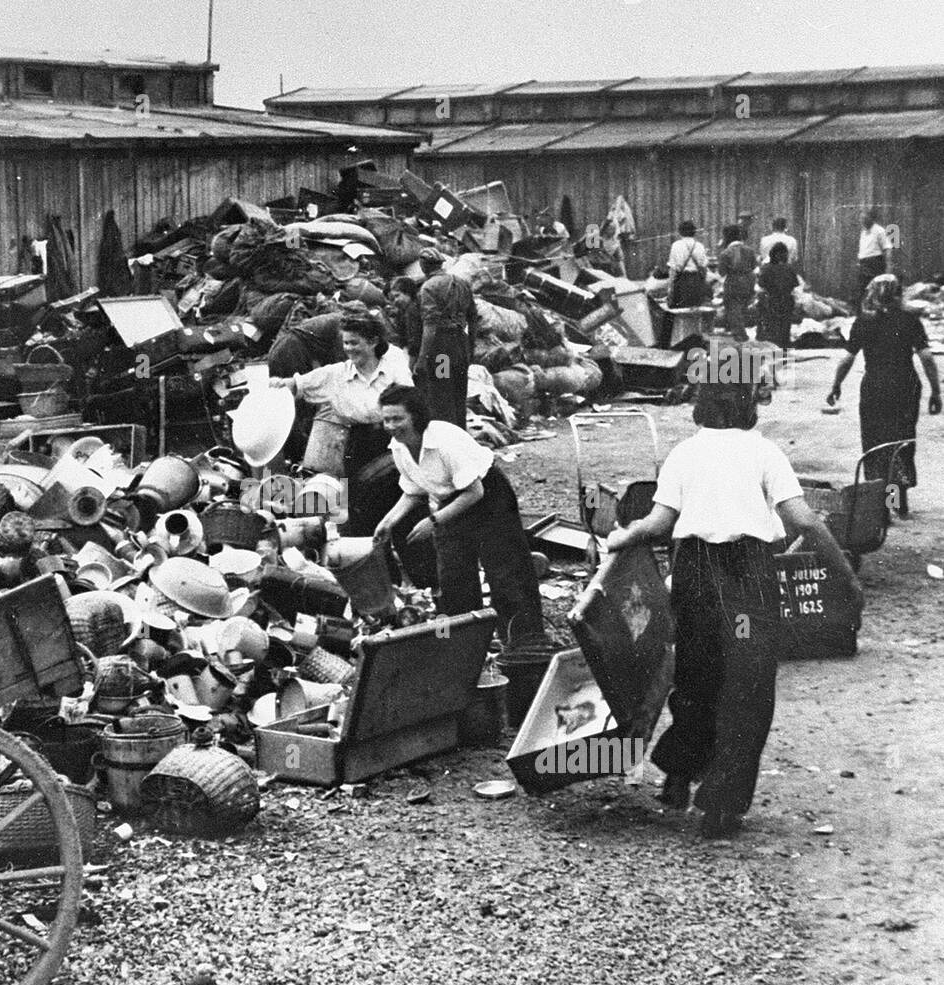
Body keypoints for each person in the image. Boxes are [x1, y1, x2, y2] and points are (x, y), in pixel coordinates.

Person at [606, 377, 863, 838]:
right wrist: (843, 574)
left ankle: (679, 773)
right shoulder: (765, 453)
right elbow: (803, 519)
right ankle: (720, 806)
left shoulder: (685, 453)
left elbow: (660, 522)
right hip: (748, 578)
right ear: (748, 406)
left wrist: (624, 536)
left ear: (701, 406)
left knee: (696, 675)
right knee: (747, 685)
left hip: (696, 574)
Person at [373, 384, 545, 646]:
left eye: (398, 419)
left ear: (416, 417)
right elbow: (413, 490)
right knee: (454, 578)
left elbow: (475, 492)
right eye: (386, 419)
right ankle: (469, 646)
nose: (391, 426)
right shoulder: (399, 447)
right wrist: (387, 522)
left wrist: (433, 521)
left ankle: (525, 645)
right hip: (451, 502)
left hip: (489, 497)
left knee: (506, 575)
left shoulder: (444, 440)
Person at [271, 308, 412, 534]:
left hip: (393, 439)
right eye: (345, 343)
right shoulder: (336, 374)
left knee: (402, 507)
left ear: (374, 341)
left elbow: (408, 399)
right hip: (358, 445)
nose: (348, 349)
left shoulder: (393, 360)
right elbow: (297, 384)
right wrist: (280, 384)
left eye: (354, 343)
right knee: (363, 511)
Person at [827, 274, 942, 517]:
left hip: (875, 388)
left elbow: (847, 359)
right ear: (899, 294)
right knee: (900, 442)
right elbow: (927, 358)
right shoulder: (910, 320)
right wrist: (936, 391)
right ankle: (896, 501)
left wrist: (836, 385)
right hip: (905, 386)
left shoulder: (863, 322)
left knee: (875, 443)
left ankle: (880, 505)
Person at [415, 247, 479, 431]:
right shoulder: (462, 283)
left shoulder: (428, 287)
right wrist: (471, 346)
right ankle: (462, 436)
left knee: (443, 392)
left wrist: (422, 359)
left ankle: (449, 440)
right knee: (460, 392)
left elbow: (430, 325)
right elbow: (473, 318)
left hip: (442, 348)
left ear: (423, 265)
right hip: (460, 344)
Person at [757, 242, 800, 355]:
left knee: (772, 326)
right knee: (785, 327)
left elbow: (761, 284)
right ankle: (785, 350)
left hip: (772, 301)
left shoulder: (766, 268)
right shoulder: (790, 268)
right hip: (787, 300)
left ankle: (773, 350)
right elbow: (795, 284)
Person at [718, 223, 758, 341]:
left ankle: (740, 336)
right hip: (748, 282)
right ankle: (739, 333)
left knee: (733, 310)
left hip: (733, 283)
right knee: (741, 309)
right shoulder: (750, 250)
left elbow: (722, 272)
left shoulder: (725, 253)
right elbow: (754, 266)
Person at [666, 221, 709, 308]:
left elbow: (673, 269)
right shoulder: (699, 246)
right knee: (697, 309)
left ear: (680, 232)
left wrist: (670, 288)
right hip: (697, 281)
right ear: (694, 232)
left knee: (681, 310)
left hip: (682, 281)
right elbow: (704, 267)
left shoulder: (676, 245)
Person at [857, 208, 893, 297]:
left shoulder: (879, 231)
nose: (862, 221)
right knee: (862, 291)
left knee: (874, 291)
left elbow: (887, 248)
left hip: (875, 264)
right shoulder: (863, 232)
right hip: (864, 265)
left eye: (865, 219)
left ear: (871, 219)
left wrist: (888, 268)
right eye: (861, 219)